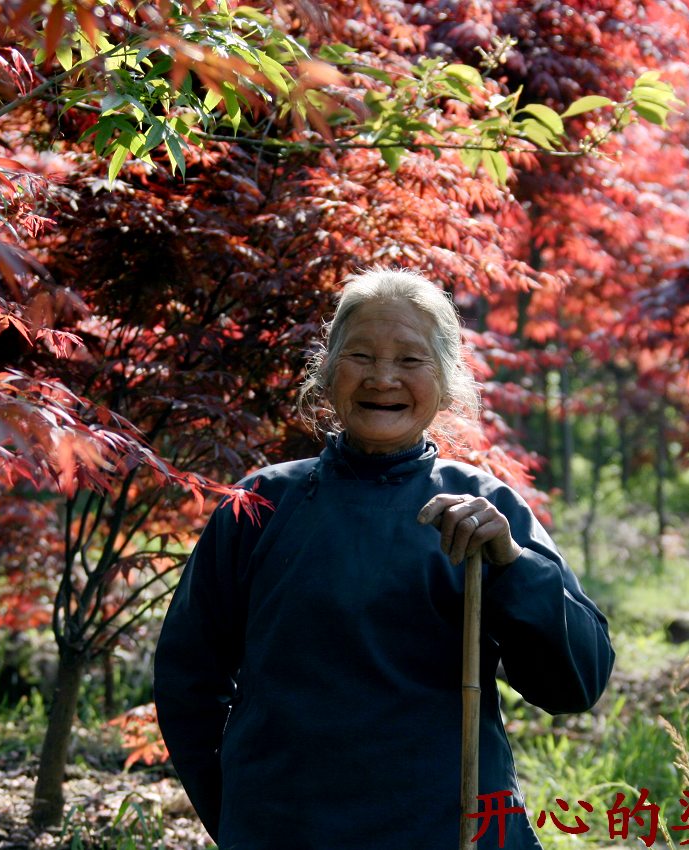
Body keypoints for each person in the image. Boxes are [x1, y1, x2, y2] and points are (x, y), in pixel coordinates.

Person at [153, 267, 614, 850]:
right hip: (286, 826)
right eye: (361, 356)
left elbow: (577, 683)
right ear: (328, 371)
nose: (383, 377)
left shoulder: (485, 511)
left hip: (449, 828)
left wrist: (513, 564)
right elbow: (187, 679)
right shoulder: (263, 504)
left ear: (446, 380)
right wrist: (239, 814)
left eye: (411, 360)